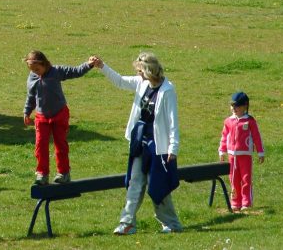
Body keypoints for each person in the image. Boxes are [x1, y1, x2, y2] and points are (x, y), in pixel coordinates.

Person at [93, 52, 182, 235]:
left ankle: (172, 224)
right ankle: (127, 223)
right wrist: (102, 66)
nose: (138, 74)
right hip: (139, 143)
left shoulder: (167, 90)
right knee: (135, 182)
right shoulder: (141, 83)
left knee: (157, 185)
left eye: (140, 71)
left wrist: (173, 148)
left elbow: (173, 121)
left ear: (149, 71)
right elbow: (120, 81)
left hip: (158, 146)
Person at [23, 50, 95, 185]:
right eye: (32, 70)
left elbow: (75, 71)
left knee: (60, 144)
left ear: (44, 64)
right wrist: (27, 112)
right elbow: (31, 97)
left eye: (37, 69)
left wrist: (89, 64)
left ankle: (63, 173)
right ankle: (42, 174)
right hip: (41, 117)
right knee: (40, 145)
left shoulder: (56, 72)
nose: (35, 72)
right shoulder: (32, 78)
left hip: (59, 114)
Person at [218, 91, 265, 213]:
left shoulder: (250, 121)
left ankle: (246, 202)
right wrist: (222, 150)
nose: (234, 108)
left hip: (245, 155)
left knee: (246, 178)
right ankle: (235, 202)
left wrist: (260, 152)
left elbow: (256, 137)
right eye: (232, 106)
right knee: (233, 179)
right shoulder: (228, 121)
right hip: (232, 155)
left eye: (237, 106)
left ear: (245, 106)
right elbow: (224, 136)